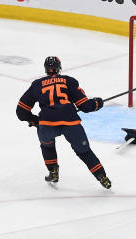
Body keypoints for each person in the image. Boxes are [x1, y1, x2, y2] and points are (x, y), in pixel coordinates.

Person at [15, 56, 111, 189]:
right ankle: (102, 177)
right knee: (84, 152)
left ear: (45, 69)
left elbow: (21, 111)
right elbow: (85, 106)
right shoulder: (68, 81)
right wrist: (97, 103)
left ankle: (53, 172)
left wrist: (35, 121)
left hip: (47, 125)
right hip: (70, 123)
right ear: (59, 68)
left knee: (47, 146)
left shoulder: (37, 84)